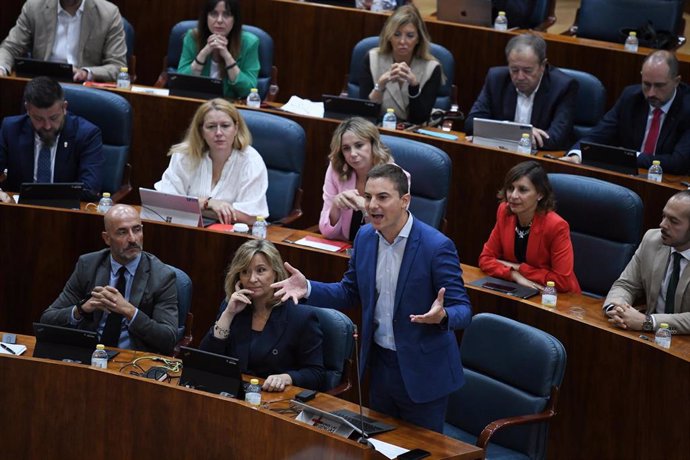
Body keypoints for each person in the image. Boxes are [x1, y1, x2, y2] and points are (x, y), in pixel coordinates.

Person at [273, 164, 472, 432]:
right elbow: (349, 292)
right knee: (379, 445)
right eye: (368, 197)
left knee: (422, 451)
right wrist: (308, 287)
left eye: (382, 197)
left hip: (423, 371)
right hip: (381, 367)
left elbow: (463, 309)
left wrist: (443, 316)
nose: (372, 205)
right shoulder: (365, 237)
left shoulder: (436, 246)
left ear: (405, 201)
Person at [40, 204, 179, 355]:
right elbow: (48, 319)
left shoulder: (162, 276)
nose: (133, 239)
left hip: (132, 359)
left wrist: (128, 310)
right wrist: (81, 309)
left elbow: (168, 338)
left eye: (137, 229)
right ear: (107, 238)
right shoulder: (88, 265)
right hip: (90, 354)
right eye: (122, 232)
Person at [199, 240, 325, 392]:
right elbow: (204, 362)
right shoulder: (232, 307)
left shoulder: (300, 317)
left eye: (261, 270)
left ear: (275, 273)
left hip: (274, 400)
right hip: (233, 394)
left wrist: (286, 378)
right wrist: (228, 314)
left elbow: (316, 375)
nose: (252, 279)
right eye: (245, 271)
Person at [563, 50, 690, 174]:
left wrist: (629, 157)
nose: (651, 93)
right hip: (630, 176)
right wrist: (577, 154)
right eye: (646, 84)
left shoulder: (687, 108)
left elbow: (678, 162)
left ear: (676, 81)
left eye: (659, 86)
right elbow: (598, 135)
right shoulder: (631, 98)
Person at [154, 98, 268, 225]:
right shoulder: (184, 155)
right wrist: (208, 203)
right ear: (201, 131)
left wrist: (195, 207)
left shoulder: (251, 160)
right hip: (186, 229)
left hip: (232, 235)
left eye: (225, 126)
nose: (218, 133)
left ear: (236, 128)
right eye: (211, 126)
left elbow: (252, 217)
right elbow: (165, 202)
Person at [479, 161, 581, 293]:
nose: (513, 196)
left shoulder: (556, 226)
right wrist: (513, 274)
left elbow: (561, 281)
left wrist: (520, 268)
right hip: (520, 289)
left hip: (557, 299)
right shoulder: (505, 211)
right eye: (510, 188)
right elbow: (485, 259)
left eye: (523, 190)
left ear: (540, 194)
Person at [465, 34, 577, 150]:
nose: (520, 77)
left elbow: (556, 138)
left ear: (542, 66)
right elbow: (471, 125)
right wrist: (522, 133)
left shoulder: (563, 87)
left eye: (527, 70)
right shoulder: (496, 79)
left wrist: (499, 133)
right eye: (514, 70)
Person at [0, 76, 103, 203]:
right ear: (27, 109)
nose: (47, 126)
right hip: (21, 212)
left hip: (67, 214)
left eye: (53, 118)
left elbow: (90, 188)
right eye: (38, 119)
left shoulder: (87, 134)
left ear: (64, 107)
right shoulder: (11, 128)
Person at [605, 191, 690, 334]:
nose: (663, 225)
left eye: (673, 221)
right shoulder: (652, 239)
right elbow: (626, 284)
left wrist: (649, 322)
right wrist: (617, 309)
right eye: (664, 216)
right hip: (648, 338)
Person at [0, 0, 127, 82]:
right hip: (41, 86)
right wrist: (1, 68)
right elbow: (10, 48)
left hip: (82, 89)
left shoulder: (109, 14)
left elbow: (117, 66)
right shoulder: (34, 7)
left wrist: (86, 73)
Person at [359, 4, 442, 124]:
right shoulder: (372, 59)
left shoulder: (432, 68)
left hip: (412, 134)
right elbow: (364, 114)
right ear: (389, 36)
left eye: (410, 36)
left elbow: (419, 119)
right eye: (397, 34)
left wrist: (414, 86)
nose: (402, 41)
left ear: (418, 39)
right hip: (376, 129)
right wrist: (380, 85)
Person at [319, 117, 397, 241]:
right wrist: (335, 206)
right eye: (346, 148)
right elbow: (326, 231)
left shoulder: (395, 177)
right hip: (345, 250)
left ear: (373, 145)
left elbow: (390, 234)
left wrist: (366, 208)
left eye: (359, 145)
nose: (353, 154)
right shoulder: (336, 169)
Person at [177, 0, 259, 100]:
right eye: (213, 14)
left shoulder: (249, 43)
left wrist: (227, 56)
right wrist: (204, 53)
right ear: (206, 17)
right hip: (196, 103)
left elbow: (249, 90)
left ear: (235, 19)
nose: (219, 20)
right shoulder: (192, 38)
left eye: (226, 14)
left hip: (230, 108)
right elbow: (180, 84)